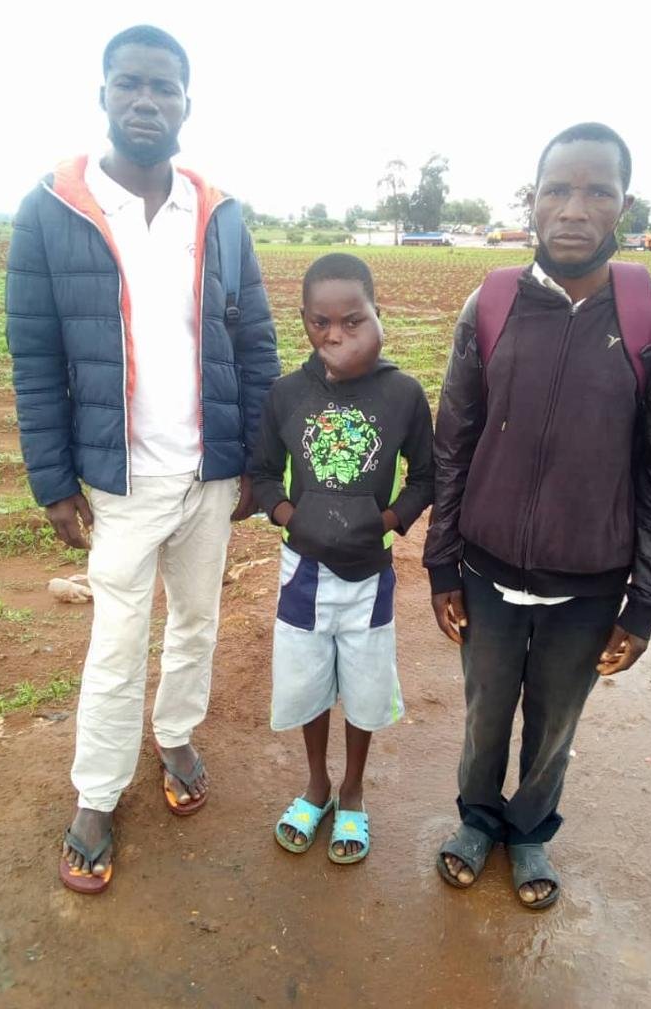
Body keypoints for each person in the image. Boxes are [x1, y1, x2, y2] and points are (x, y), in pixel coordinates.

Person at [5, 25, 279, 893]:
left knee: (196, 623)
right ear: (104, 96)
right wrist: (53, 481)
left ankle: (176, 736)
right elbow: (35, 355)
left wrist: (255, 463)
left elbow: (256, 338)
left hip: (211, 474)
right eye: (130, 85)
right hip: (120, 481)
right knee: (117, 640)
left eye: (165, 87)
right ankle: (96, 794)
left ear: (187, 102)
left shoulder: (221, 211)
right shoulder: (52, 208)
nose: (147, 102)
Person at [423, 123, 651, 908]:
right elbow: (454, 443)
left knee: (553, 727)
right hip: (485, 571)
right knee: (484, 715)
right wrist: (442, 563)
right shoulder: (493, 304)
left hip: (589, 583)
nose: (574, 209)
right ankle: (477, 821)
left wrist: (646, 604)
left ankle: (531, 833)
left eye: (596, 191)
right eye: (557, 191)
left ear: (623, 204)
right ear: (534, 201)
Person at [252, 254, 434, 863]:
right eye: (320, 323)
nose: (335, 335)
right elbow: (259, 477)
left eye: (352, 320)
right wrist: (290, 517)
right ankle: (317, 784)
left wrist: (384, 522)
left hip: (369, 576)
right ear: (303, 320)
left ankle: (353, 791)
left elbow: (426, 478)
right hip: (301, 572)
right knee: (306, 684)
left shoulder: (402, 394)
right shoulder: (286, 394)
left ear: (376, 314)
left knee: (363, 685)